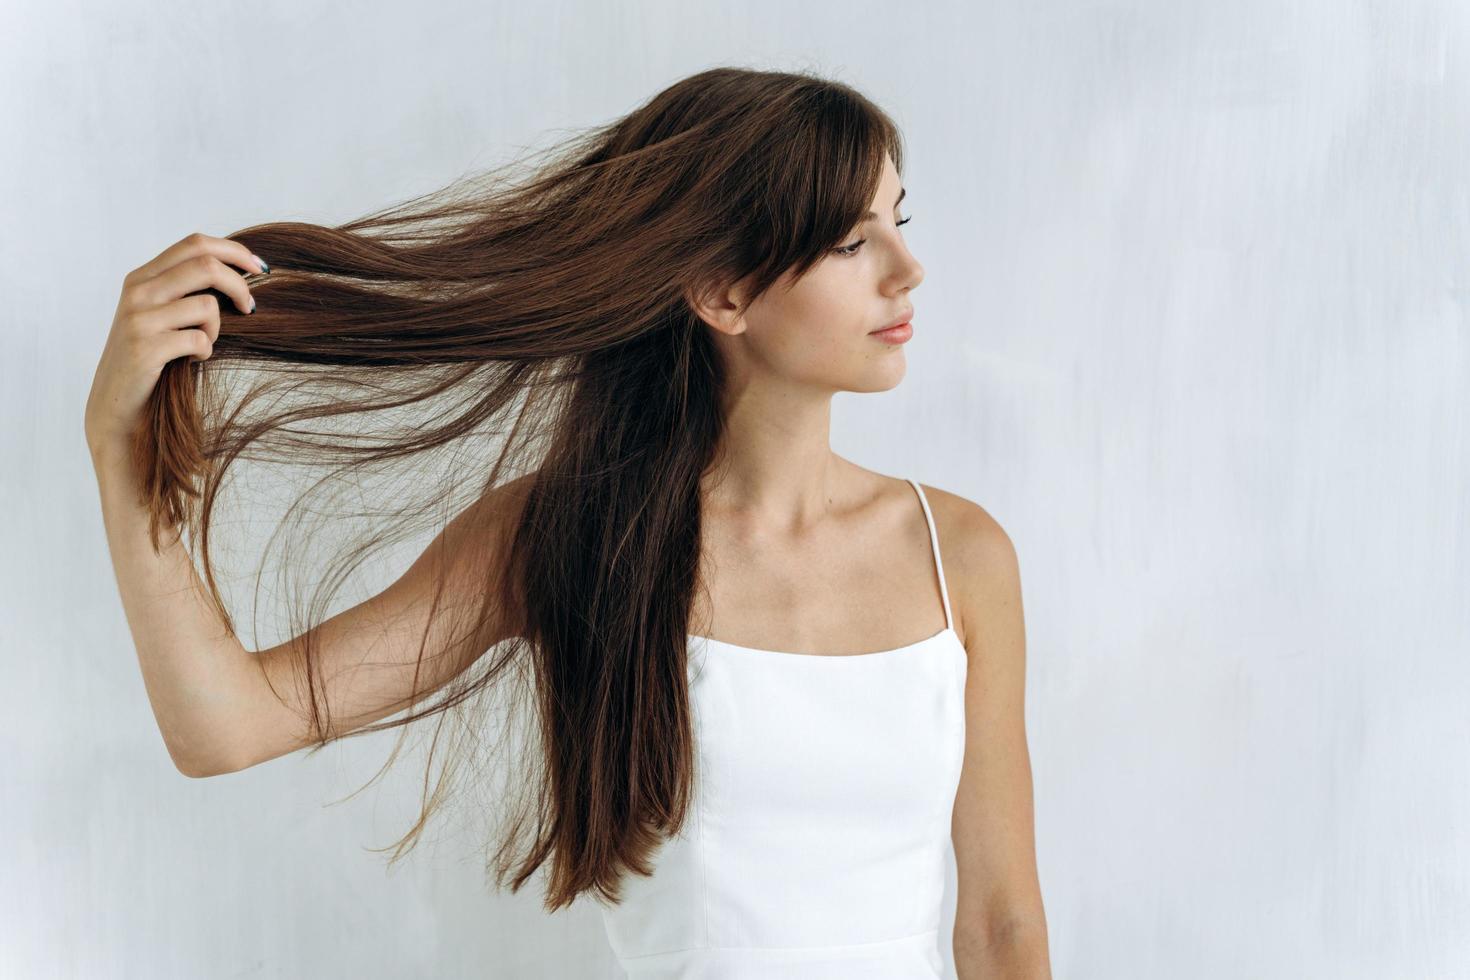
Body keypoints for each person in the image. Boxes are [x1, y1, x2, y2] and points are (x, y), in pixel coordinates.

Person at [84, 66, 1050, 978]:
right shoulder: (571, 535)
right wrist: (118, 451)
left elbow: (1002, 921)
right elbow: (228, 728)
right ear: (722, 293)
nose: (909, 268)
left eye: (899, 220)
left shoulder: (958, 555)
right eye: (852, 241)